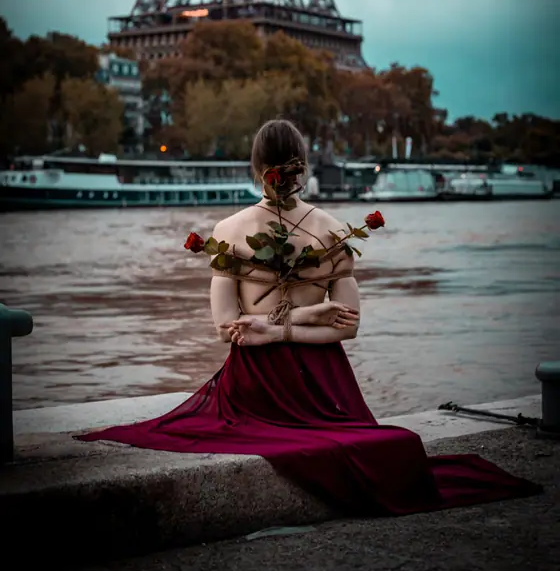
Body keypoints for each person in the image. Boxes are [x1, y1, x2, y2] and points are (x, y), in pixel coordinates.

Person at [77, 119, 541, 516]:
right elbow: (350, 326)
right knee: (380, 447)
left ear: (256, 167)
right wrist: (308, 314)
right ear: (304, 164)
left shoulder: (227, 233)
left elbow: (228, 331)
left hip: (256, 385)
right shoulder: (336, 231)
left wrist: (271, 330)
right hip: (325, 383)